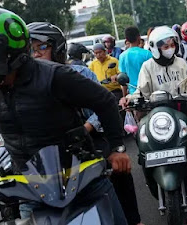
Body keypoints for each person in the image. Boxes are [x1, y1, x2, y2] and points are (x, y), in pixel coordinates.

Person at [0, 10, 129, 224]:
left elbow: (106, 101)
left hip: (84, 182)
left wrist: (118, 149)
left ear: (4, 52)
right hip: (32, 191)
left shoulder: (55, 75)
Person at [29, 23, 144, 225]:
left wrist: (87, 128)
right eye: (30, 49)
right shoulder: (21, 85)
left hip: (88, 142)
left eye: (41, 47)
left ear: (57, 49)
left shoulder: (80, 74)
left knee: (119, 168)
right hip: (46, 156)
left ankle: (133, 220)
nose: (36, 54)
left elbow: (104, 105)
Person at [135, 26, 187, 99]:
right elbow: (141, 91)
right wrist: (130, 98)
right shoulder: (148, 67)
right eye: (166, 47)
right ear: (156, 49)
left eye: (172, 45)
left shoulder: (181, 63)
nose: (170, 49)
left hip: (181, 106)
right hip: (159, 108)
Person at [118, 26, 152, 106]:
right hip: (149, 94)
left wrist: (125, 97)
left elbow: (123, 80)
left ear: (126, 39)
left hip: (133, 97)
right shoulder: (147, 54)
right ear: (139, 37)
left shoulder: (123, 56)